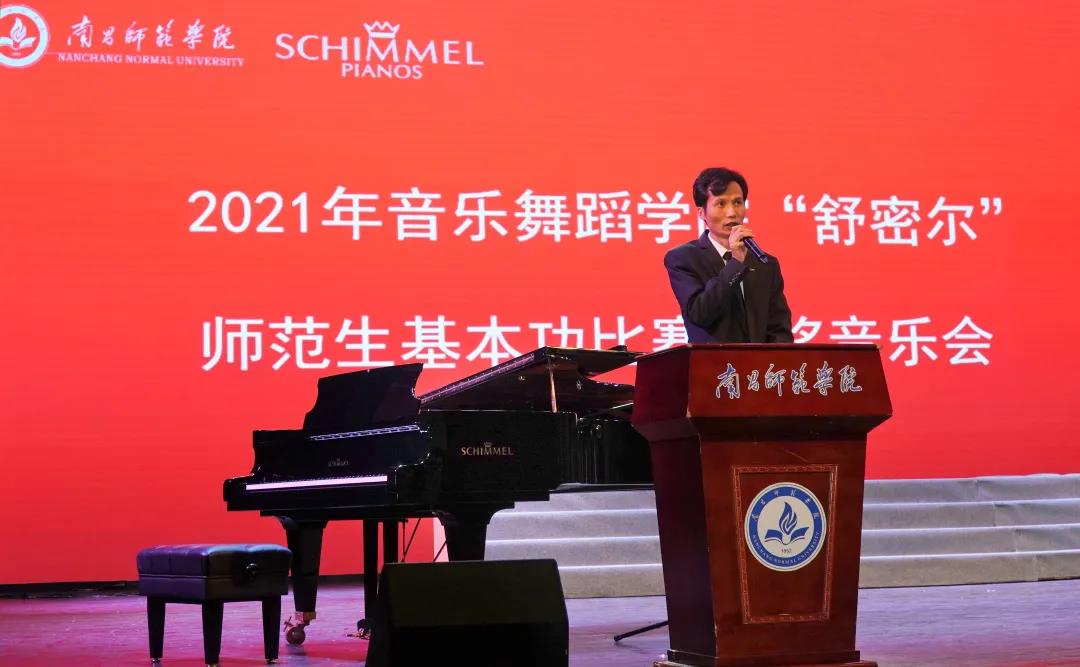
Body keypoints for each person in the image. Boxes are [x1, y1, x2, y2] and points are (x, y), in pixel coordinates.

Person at [664, 167, 794, 343]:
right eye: (721, 204)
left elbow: (779, 329)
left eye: (738, 202)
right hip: (712, 360)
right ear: (701, 213)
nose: (732, 212)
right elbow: (700, 313)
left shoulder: (765, 263)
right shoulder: (683, 258)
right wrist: (736, 262)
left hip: (759, 361)